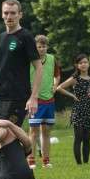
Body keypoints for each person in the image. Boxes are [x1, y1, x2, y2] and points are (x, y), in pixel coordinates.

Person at [0, 0, 42, 135]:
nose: (9, 16)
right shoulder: (2, 37)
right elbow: (4, 67)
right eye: (6, 13)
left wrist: (34, 97)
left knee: (0, 136)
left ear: (20, 15)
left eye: (13, 13)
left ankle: (26, 148)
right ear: (2, 15)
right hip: (0, 96)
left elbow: (39, 68)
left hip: (17, 96)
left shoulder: (26, 37)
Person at [56, 54, 90, 165]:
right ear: (77, 65)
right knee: (78, 137)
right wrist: (72, 96)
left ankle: (86, 163)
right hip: (78, 110)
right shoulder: (75, 79)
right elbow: (59, 88)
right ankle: (79, 164)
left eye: (85, 62)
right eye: (81, 63)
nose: (83, 64)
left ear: (89, 64)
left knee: (87, 139)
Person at [27, 35, 60, 169]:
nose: (41, 49)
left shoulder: (52, 59)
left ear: (47, 47)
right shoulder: (29, 59)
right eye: (39, 46)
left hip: (49, 100)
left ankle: (46, 160)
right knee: (33, 132)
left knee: (46, 131)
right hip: (35, 100)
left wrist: (55, 85)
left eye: (44, 46)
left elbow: (57, 75)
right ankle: (31, 160)